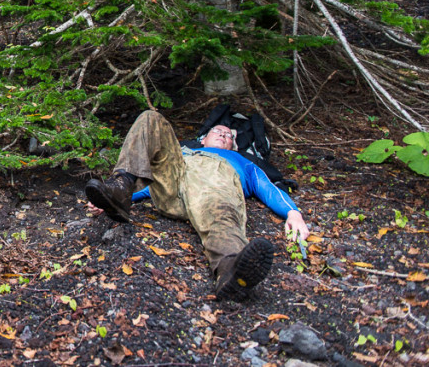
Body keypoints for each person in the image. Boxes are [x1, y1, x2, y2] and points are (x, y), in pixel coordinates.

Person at [84, 110, 310, 299]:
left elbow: (268, 187)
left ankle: (230, 270)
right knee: (149, 118)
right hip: (176, 179)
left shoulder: (242, 162)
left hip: (212, 189)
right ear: (203, 139)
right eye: (217, 131)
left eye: (228, 135)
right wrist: (112, 200)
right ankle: (121, 186)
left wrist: (293, 213)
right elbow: (151, 185)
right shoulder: (184, 151)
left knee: (221, 211)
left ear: (234, 146)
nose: (222, 135)